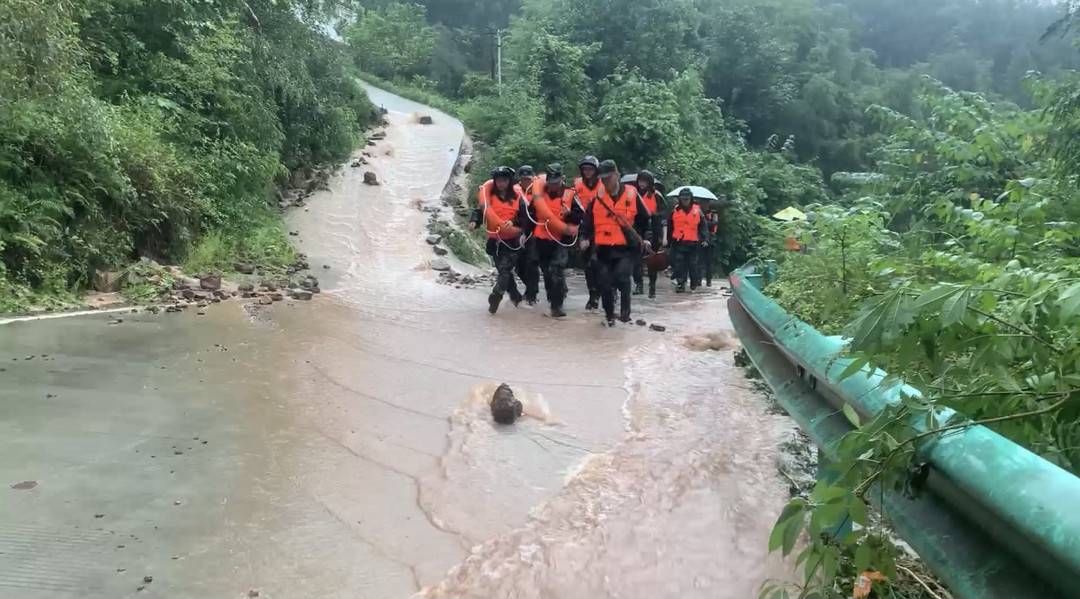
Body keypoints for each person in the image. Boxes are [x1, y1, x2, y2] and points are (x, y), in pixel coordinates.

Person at [580, 160, 651, 326]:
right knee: (604, 283)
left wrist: (646, 237)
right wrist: (583, 238)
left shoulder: (632, 194)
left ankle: (625, 316)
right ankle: (610, 317)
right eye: (603, 178)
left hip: (627, 248)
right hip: (603, 249)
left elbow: (645, 219)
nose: (606, 181)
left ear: (617, 175)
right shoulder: (597, 197)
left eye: (609, 177)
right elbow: (587, 222)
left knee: (622, 277)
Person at [477, 166, 534, 314]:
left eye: (504, 180)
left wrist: (514, 223)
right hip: (495, 241)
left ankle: (497, 294)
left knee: (505, 269)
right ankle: (515, 297)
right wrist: (474, 221)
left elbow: (525, 218)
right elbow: (480, 211)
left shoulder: (517, 198)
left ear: (509, 181)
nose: (501, 183)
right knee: (503, 271)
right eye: (498, 181)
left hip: (512, 241)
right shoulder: (490, 196)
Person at [529, 164, 582, 317]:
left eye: (556, 183)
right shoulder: (539, 195)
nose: (553, 186)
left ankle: (556, 307)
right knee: (546, 273)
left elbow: (581, 217)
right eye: (551, 183)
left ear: (562, 180)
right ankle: (553, 299)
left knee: (556, 270)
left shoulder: (570, 195)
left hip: (560, 241)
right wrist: (524, 234)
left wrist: (569, 214)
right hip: (541, 240)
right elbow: (530, 214)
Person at [573, 156, 603, 311]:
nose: (587, 172)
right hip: (584, 227)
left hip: (602, 227)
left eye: (590, 169)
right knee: (587, 265)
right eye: (585, 169)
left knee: (597, 262)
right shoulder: (577, 184)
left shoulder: (603, 185)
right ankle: (593, 295)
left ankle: (605, 291)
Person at [667, 188, 708, 293]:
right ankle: (681, 283)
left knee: (693, 264)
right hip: (678, 242)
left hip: (693, 243)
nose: (685, 200)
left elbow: (703, 226)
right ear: (680, 199)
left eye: (687, 198)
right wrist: (667, 241)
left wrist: (705, 239)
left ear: (691, 198)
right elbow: (670, 226)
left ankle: (694, 281)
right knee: (679, 264)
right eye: (683, 198)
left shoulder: (697, 210)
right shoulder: (674, 211)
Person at [632, 170, 664, 298]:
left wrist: (662, 236)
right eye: (640, 181)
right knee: (636, 260)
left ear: (650, 182)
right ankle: (639, 284)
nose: (642, 183)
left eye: (644, 181)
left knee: (652, 261)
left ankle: (652, 287)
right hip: (639, 229)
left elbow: (663, 215)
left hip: (654, 230)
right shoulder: (634, 194)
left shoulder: (656, 195)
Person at [514, 165, 541, 304]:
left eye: (528, 179)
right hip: (519, 231)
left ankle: (532, 293)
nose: (526, 181)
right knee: (519, 266)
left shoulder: (540, 190)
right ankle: (531, 289)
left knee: (532, 263)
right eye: (523, 179)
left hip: (536, 232)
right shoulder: (514, 191)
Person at [702, 199, 721, 287]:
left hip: (711, 239)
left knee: (708, 261)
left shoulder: (713, 213)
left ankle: (708, 280)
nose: (705, 205)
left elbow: (715, 224)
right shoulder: (699, 212)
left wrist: (708, 222)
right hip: (701, 239)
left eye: (707, 203)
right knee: (698, 260)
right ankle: (698, 279)